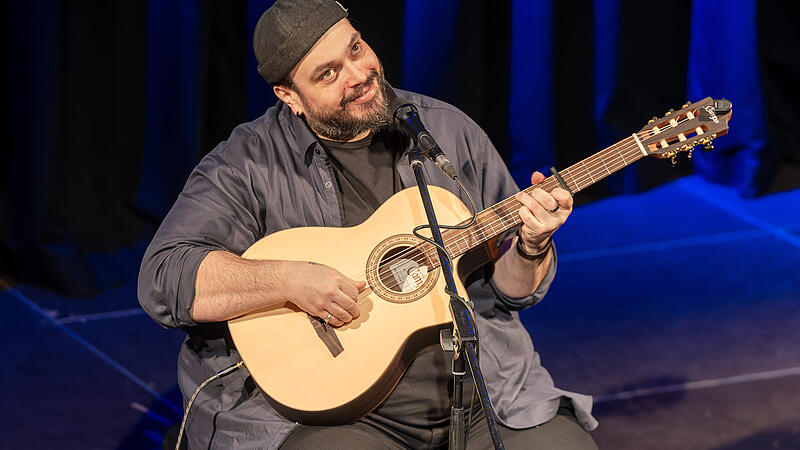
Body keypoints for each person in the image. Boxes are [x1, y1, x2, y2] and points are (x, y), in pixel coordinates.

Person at [139, 1, 599, 448]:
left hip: (483, 394)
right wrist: (287, 280)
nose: (358, 76)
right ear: (289, 96)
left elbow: (509, 293)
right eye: (328, 73)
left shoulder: (444, 131)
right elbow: (163, 279)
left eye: (355, 49)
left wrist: (532, 245)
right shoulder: (245, 164)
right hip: (329, 416)